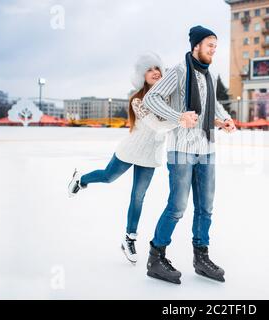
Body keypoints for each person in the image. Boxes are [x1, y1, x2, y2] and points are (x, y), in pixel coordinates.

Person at [67, 52, 197, 265]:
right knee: (108, 177)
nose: (155, 72)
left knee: (138, 196)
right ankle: (81, 179)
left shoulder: (168, 100)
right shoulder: (138, 100)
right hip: (131, 150)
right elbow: (156, 125)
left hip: (150, 156)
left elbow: (176, 117)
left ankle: (129, 238)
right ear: (141, 75)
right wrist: (180, 120)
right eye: (149, 69)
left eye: (157, 69)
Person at [143, 26, 236, 284]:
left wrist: (225, 120)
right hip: (181, 149)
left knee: (205, 208)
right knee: (177, 207)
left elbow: (212, 104)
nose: (213, 50)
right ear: (196, 45)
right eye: (210, 45)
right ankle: (156, 257)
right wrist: (178, 116)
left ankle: (201, 257)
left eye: (216, 46)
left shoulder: (209, 74)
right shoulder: (179, 71)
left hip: (206, 148)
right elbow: (151, 99)